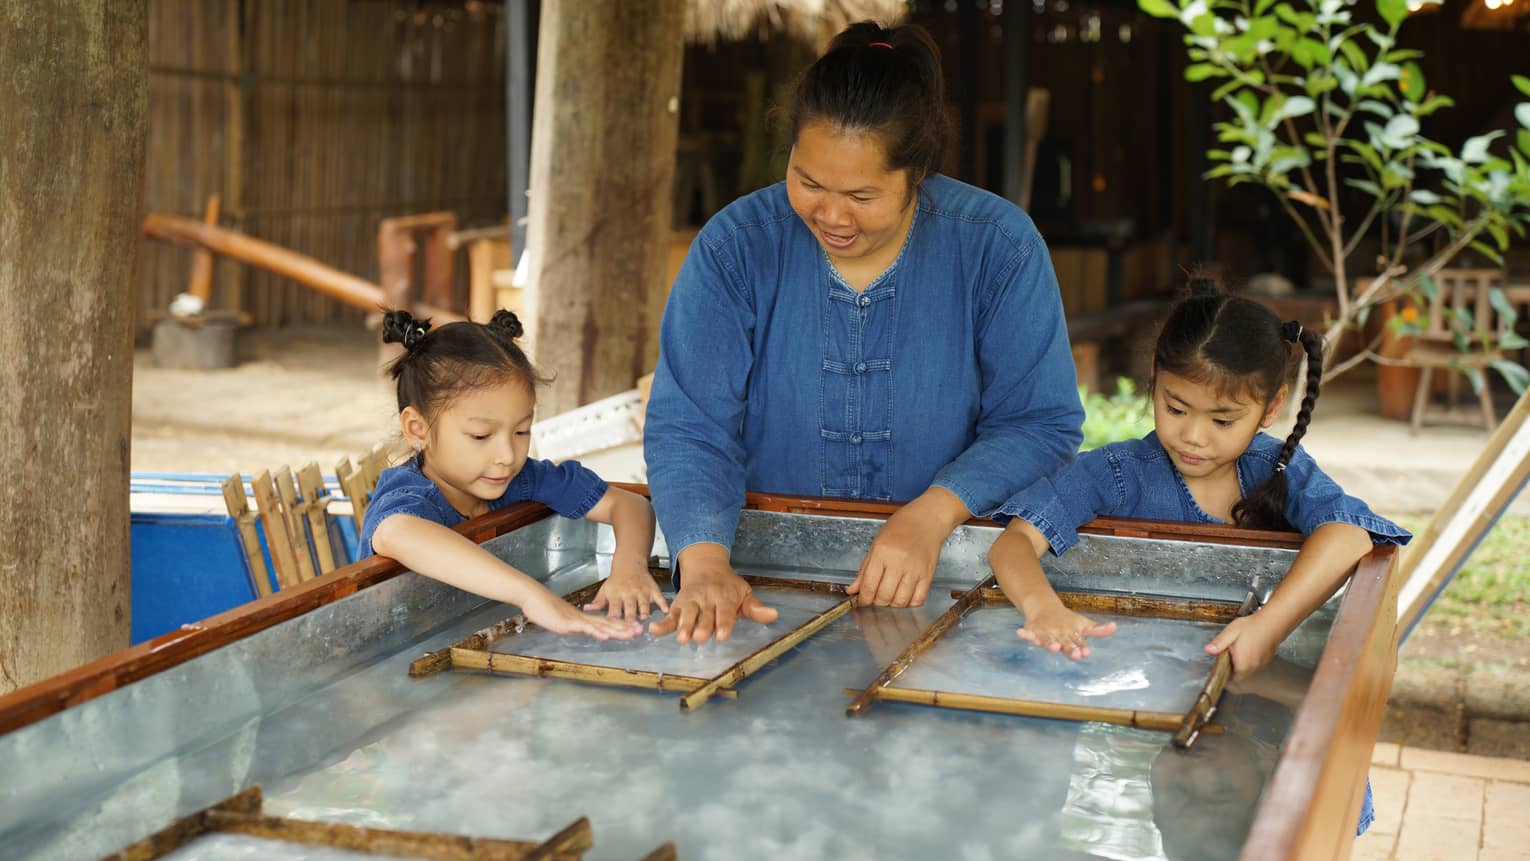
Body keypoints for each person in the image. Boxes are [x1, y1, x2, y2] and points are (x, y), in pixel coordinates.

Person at [643, 21, 1085, 644]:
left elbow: (1040, 422)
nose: (831, 215)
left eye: (862, 195)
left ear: (919, 172)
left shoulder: (997, 246)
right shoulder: (737, 245)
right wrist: (707, 562)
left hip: (954, 586)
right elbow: (691, 424)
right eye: (809, 181)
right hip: (760, 588)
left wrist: (931, 516)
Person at [986, 278, 1410, 670]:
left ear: (1272, 407)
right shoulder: (1117, 473)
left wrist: (1268, 626)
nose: (1192, 436)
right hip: (1135, 664)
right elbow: (1015, 541)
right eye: (1175, 408)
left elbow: (1349, 535)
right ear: (1155, 377)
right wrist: (1042, 607)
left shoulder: (1275, 466)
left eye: (1222, 421)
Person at [359, 309, 659, 640]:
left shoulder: (522, 479)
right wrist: (530, 595)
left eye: (521, 432)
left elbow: (631, 505)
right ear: (418, 429)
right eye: (480, 436)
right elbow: (396, 533)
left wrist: (629, 569)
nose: (506, 456)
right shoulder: (408, 496)